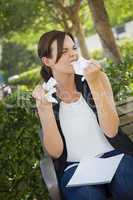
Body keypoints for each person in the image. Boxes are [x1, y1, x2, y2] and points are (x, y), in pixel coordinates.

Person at [32, 30, 133, 200]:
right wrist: (45, 111)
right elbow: (56, 152)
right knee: (87, 195)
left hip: (115, 156)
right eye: (64, 51)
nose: (73, 54)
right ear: (47, 61)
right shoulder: (45, 96)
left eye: (73, 48)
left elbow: (111, 130)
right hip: (75, 168)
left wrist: (95, 84)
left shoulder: (96, 78)